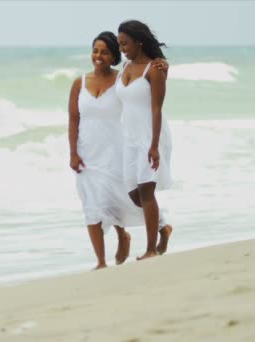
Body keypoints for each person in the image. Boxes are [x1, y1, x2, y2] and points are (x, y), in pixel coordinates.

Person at [68, 31, 171, 269]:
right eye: (95, 50)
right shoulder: (79, 82)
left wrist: (163, 65)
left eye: (105, 51)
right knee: (92, 202)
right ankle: (101, 262)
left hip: (118, 148)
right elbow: (73, 119)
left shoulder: (122, 78)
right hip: (87, 152)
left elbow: (143, 86)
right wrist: (73, 151)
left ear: (115, 55)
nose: (98, 56)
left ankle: (158, 227)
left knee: (127, 198)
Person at [116, 20, 173, 260]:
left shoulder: (155, 68)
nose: (122, 49)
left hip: (151, 136)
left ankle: (150, 249)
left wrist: (154, 145)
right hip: (129, 138)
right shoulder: (126, 66)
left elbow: (157, 109)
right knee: (133, 193)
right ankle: (163, 227)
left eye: (125, 44)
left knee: (146, 191)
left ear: (139, 41)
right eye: (119, 44)